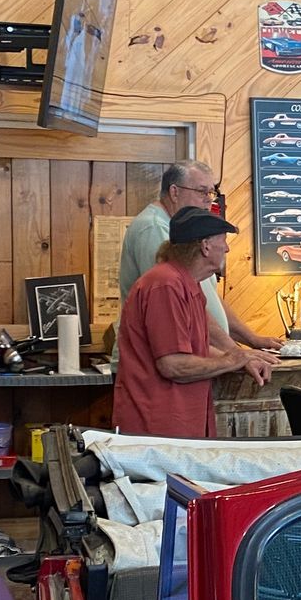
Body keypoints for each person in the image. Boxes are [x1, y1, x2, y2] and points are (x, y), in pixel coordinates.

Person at [114, 207, 273, 437]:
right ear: (205, 246)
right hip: (157, 428)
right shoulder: (165, 285)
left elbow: (197, 348)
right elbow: (173, 364)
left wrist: (243, 358)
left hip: (178, 425)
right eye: (223, 241)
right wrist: (232, 360)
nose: (227, 248)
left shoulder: (188, 284)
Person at [117, 161, 281, 354]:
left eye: (211, 193)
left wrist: (252, 340)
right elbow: (179, 303)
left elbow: (208, 299)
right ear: (175, 192)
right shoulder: (155, 228)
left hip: (200, 354)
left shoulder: (184, 231)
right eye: (202, 192)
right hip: (160, 363)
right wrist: (235, 353)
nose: (208, 200)